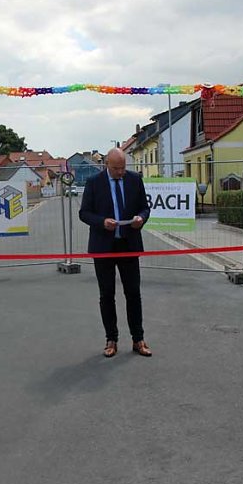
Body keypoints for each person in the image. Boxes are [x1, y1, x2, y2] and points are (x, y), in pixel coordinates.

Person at [79, 148, 152, 358]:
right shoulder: (94, 183)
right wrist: (102, 222)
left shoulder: (135, 180)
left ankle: (138, 339)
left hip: (128, 244)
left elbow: (145, 208)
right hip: (104, 247)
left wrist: (141, 219)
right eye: (116, 168)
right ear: (107, 165)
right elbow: (84, 213)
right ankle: (111, 339)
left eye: (123, 168)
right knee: (107, 295)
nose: (121, 172)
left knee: (133, 294)